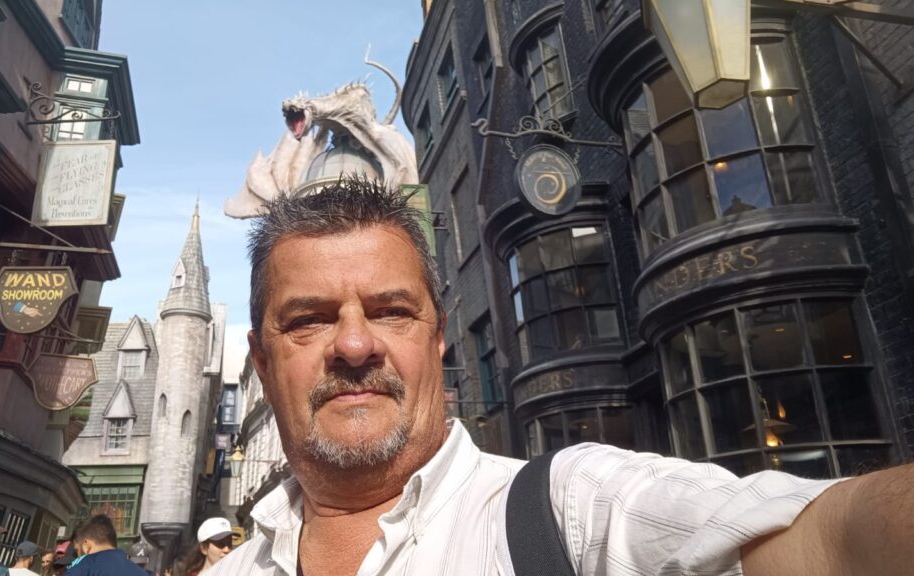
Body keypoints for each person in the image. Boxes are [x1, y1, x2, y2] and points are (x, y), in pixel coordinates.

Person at [202, 177, 914, 576]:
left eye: (391, 311)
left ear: (438, 339)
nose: (356, 344)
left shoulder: (571, 509)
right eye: (309, 320)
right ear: (261, 362)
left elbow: (828, 538)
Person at [64, 515, 142, 575]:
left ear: (86, 546)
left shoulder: (81, 571)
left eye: (77, 550)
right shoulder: (140, 572)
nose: (77, 556)